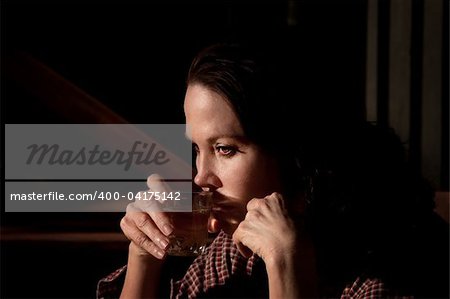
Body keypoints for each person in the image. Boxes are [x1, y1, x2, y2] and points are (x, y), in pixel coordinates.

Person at [97, 42, 448, 298]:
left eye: (224, 149)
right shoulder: (232, 249)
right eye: (196, 150)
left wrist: (287, 268)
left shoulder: (394, 267)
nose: (200, 177)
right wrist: (145, 256)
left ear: (296, 152)